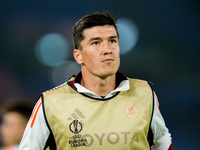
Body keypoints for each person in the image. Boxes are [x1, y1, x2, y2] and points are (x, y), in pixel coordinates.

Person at [18, 11, 173, 150]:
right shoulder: (50, 102)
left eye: (112, 41)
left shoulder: (144, 92)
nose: (107, 49)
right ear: (78, 56)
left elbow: (163, 141)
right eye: (96, 43)